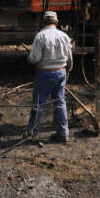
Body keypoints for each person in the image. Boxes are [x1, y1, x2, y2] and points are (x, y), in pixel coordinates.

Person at [27, 11, 73, 143]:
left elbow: (35, 58)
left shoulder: (40, 36)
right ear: (56, 22)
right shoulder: (64, 36)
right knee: (59, 102)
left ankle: (32, 133)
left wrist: (28, 59)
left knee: (38, 104)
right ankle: (63, 133)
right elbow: (70, 60)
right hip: (61, 72)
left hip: (45, 73)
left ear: (43, 22)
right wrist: (67, 72)